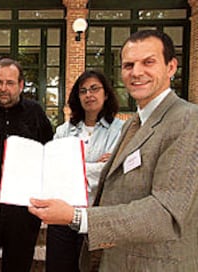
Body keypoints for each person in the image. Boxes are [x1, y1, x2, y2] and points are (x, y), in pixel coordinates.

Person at [29, 29, 198, 272]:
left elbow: (165, 213)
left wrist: (77, 217)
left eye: (148, 62)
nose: (137, 72)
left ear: (171, 67)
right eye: (129, 65)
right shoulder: (132, 124)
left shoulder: (188, 120)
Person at [0, 58, 54, 272]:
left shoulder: (35, 113)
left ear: (21, 85)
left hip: (23, 212)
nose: (3, 89)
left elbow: (48, 153)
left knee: (18, 265)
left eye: (9, 83)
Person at [46, 70, 123, 271]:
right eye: (83, 91)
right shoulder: (64, 130)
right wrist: (97, 165)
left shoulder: (121, 130)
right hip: (62, 213)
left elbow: (114, 172)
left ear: (106, 94)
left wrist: (74, 166)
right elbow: (55, 169)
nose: (89, 94)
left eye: (94, 89)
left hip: (98, 215)